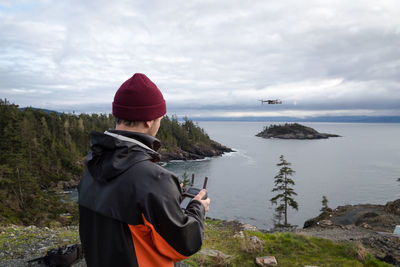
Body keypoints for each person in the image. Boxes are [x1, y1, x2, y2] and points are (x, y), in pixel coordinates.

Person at [78, 73, 210, 267]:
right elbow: (184, 244)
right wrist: (197, 208)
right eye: (160, 119)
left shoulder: (93, 163)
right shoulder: (153, 179)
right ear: (149, 121)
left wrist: (166, 196)